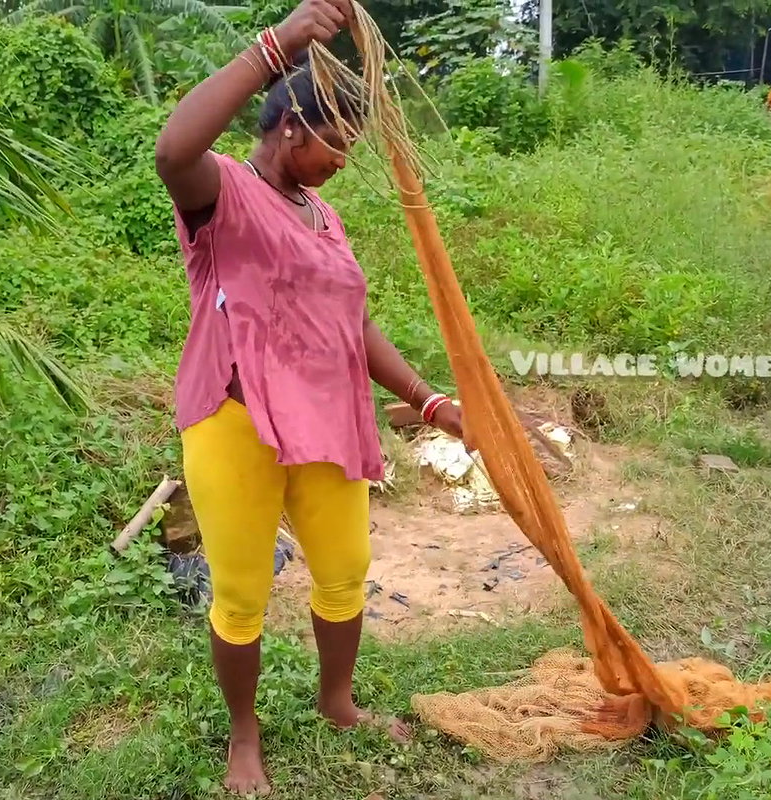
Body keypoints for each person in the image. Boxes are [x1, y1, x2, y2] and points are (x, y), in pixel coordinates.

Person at [153, 0, 465, 792]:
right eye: (337, 141)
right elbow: (174, 148)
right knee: (241, 593)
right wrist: (278, 43)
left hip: (327, 419)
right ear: (291, 128)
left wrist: (430, 402)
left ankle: (337, 701)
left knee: (345, 570)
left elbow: (352, 325)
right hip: (237, 423)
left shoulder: (323, 216)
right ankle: (244, 735)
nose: (344, 160)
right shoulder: (222, 190)